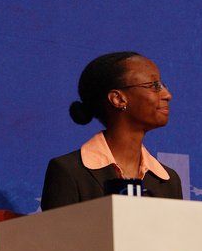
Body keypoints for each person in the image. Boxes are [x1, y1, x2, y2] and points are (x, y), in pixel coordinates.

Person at [42, 52, 182, 211]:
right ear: (118, 99)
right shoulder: (69, 171)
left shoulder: (169, 181)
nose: (167, 95)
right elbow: (59, 234)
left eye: (163, 85)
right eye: (154, 86)